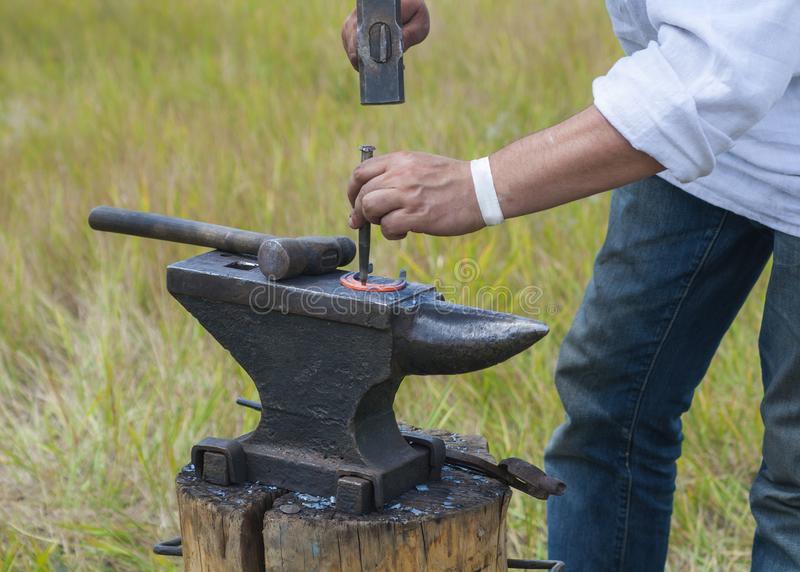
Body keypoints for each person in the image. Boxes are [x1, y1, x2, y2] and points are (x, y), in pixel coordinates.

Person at [342, 1, 800, 570]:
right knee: (608, 405)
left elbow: (719, 73)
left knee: (795, 479)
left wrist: (476, 187)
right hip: (703, 137)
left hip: (702, 93)